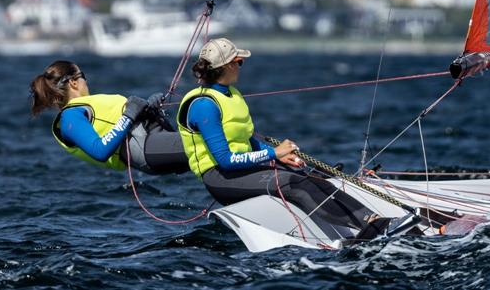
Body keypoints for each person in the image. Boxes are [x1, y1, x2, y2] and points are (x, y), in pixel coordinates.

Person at [177, 38, 418, 241]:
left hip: (242, 169)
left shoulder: (231, 94)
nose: (242, 66)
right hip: (221, 178)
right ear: (226, 67)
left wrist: (282, 156)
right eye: (239, 62)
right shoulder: (204, 106)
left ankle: (373, 220)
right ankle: (368, 232)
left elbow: (247, 142)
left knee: (313, 177)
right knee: (293, 184)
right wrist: (274, 154)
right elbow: (226, 160)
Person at [30, 60, 189, 175]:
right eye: (82, 75)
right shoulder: (69, 118)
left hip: (154, 139)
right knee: (206, 142)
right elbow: (99, 150)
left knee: (208, 144)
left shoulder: (85, 107)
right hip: (144, 148)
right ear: (73, 83)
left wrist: (148, 108)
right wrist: (130, 114)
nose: (86, 81)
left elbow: (121, 120)